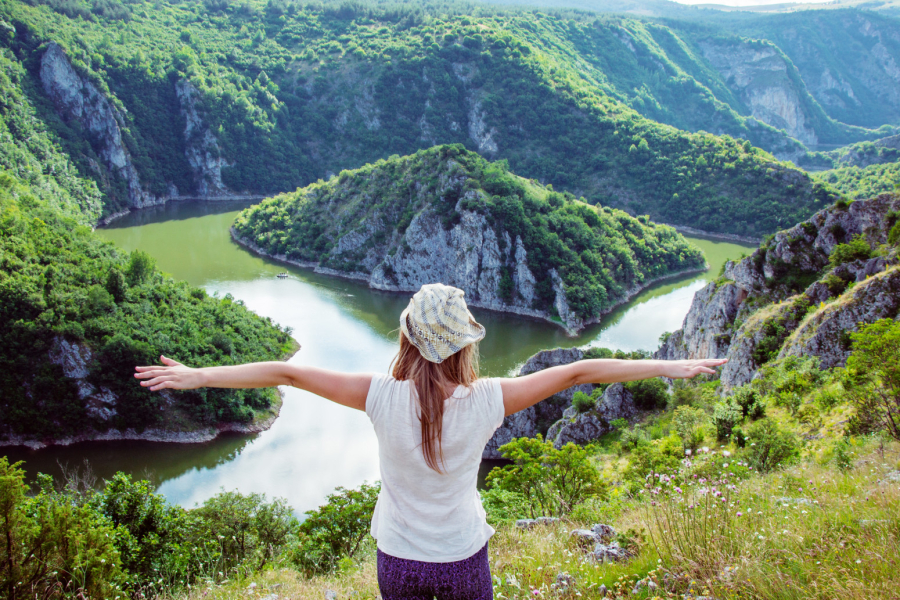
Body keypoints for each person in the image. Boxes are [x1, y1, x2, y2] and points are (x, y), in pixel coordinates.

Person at [135, 282, 726, 600]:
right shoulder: (490, 399)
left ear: (408, 339)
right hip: (463, 558)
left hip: (398, 561)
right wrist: (668, 367)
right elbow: (579, 371)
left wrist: (197, 376)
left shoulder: (376, 394)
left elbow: (286, 373)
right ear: (465, 345)